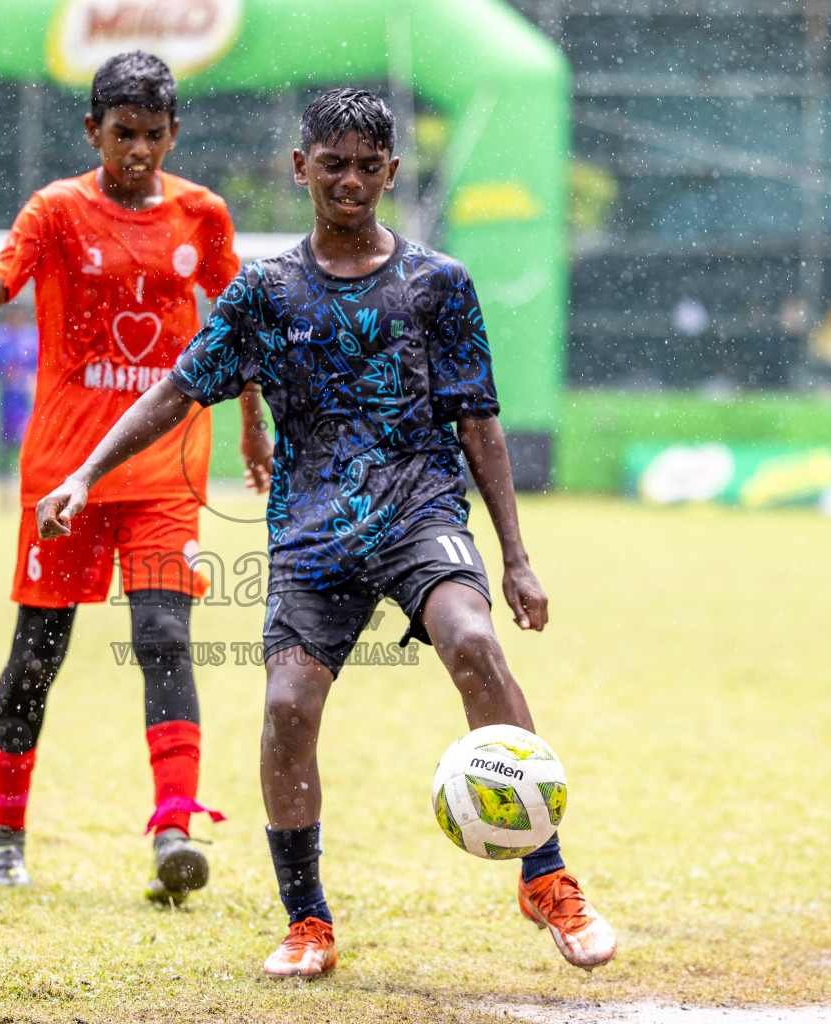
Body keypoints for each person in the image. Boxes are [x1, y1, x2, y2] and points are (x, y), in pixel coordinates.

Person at [35, 88, 616, 975]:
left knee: (473, 641)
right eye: (331, 163)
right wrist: (85, 472)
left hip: (420, 510)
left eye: (367, 165)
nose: (350, 180)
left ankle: (547, 878)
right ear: (301, 168)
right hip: (312, 533)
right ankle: (307, 920)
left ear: (390, 172)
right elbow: (176, 391)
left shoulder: (438, 285)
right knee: (285, 707)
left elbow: (479, 425)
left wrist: (517, 558)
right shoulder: (265, 291)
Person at [0, 51, 270, 902]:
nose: (138, 151)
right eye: (123, 133)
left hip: (165, 469)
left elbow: (244, 332)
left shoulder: (202, 215)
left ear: (172, 135)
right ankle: (5, 834)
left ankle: (173, 831)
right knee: (37, 656)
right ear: (93, 130)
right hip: (64, 479)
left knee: (165, 637)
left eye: (154, 136)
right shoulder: (55, 211)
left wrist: (253, 424)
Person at [0, 307, 37, 511]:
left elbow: (37, 371)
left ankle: (28, 493)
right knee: (4, 453)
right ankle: (4, 496)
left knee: (26, 452)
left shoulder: (31, 339)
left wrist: (29, 385)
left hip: (24, 407)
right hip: (4, 406)